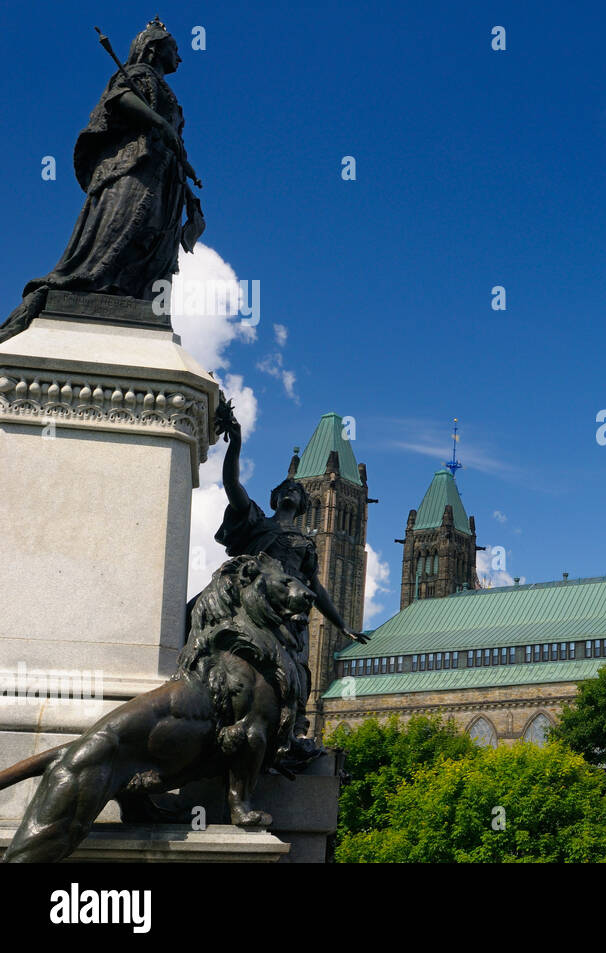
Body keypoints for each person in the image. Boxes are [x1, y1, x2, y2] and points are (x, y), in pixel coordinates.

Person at [0, 17, 203, 343]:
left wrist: (185, 171)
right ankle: (83, 284)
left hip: (165, 178)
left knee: (148, 238)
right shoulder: (139, 75)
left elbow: (172, 139)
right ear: (153, 49)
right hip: (134, 167)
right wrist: (161, 126)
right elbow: (119, 99)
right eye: (175, 49)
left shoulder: (163, 87)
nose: (180, 57)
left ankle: (126, 294)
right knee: (120, 226)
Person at [210, 397, 369, 769]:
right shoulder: (256, 522)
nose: (291, 492)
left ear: (303, 504)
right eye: (287, 488)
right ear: (275, 497)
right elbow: (231, 482)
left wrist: (342, 625)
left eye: (298, 492)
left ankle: (289, 730)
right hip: (246, 604)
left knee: (297, 674)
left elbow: (317, 590)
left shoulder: (304, 545)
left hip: (287, 619)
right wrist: (235, 444)